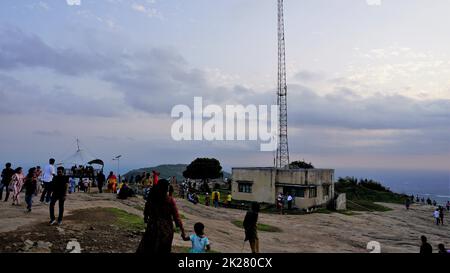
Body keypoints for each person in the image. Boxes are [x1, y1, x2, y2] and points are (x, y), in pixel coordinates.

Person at [137, 179, 186, 253]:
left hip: (152, 228)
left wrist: (146, 218)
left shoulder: (152, 198)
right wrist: (182, 232)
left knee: (148, 248)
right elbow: (177, 217)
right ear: (167, 188)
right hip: (166, 230)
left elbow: (146, 211)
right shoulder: (169, 200)